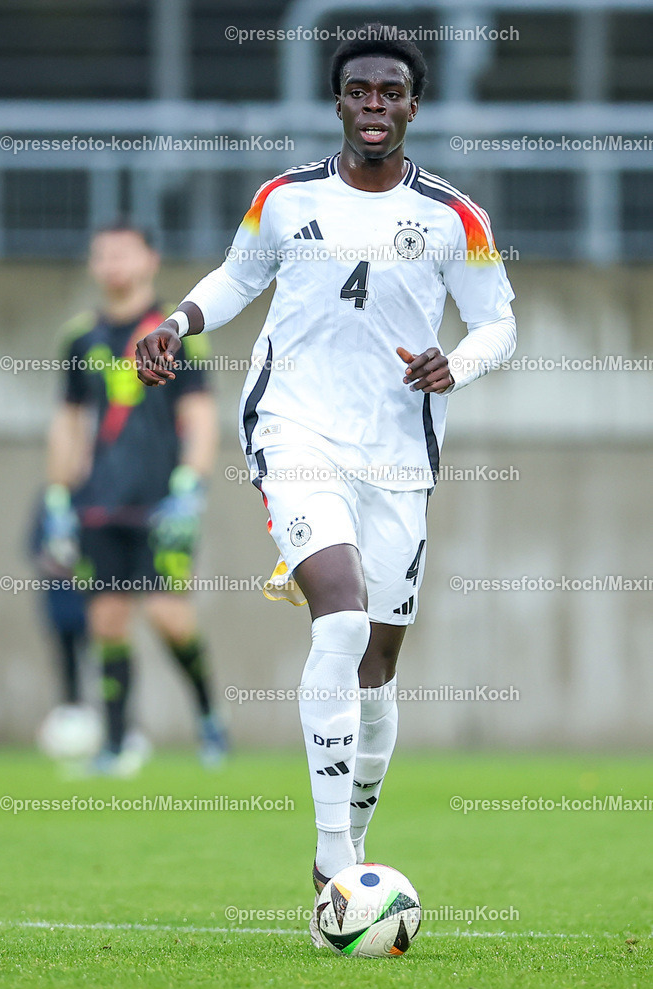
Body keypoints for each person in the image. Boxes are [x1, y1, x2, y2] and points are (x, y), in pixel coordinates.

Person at [135, 27, 516, 942]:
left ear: (412, 107)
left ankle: (355, 841)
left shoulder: (454, 218)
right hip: (294, 431)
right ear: (337, 102)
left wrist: (452, 366)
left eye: (391, 92)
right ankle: (333, 859)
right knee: (338, 619)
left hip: (397, 457)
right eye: (359, 91)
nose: (374, 105)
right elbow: (236, 279)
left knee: (377, 670)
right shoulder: (283, 199)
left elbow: (497, 323)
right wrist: (178, 320)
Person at [46, 223, 227, 773]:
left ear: (150, 258)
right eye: (101, 255)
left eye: (122, 253)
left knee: (170, 617)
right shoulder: (80, 337)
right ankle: (117, 743)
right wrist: (58, 498)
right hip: (98, 503)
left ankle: (207, 718)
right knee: (106, 621)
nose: (111, 264)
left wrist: (190, 484)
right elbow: (70, 422)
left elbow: (198, 412)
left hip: (161, 502)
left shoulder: (175, 331)